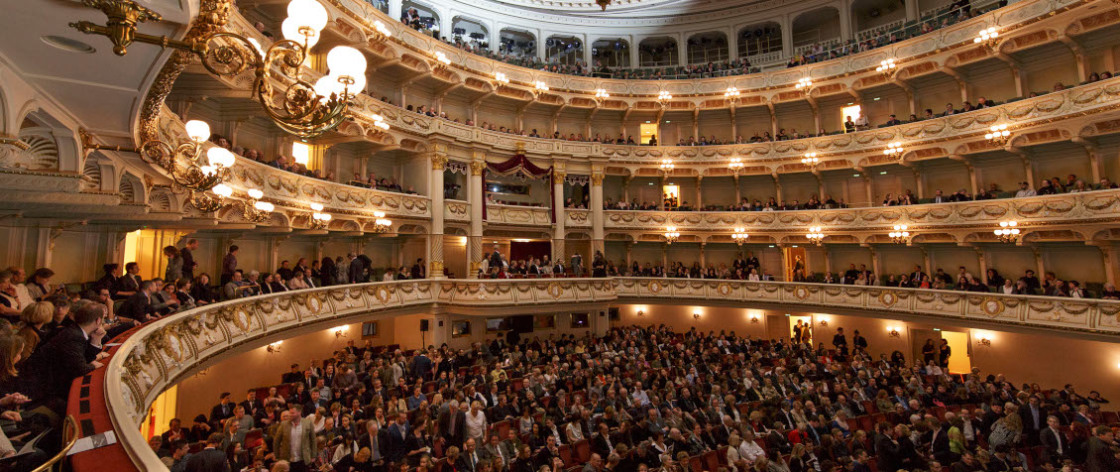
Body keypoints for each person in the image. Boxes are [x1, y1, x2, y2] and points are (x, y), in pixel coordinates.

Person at [274, 404, 318, 472]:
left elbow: (313, 440)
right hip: (288, 460)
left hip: (303, 459)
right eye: (290, 413)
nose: (290, 415)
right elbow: (276, 441)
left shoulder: (307, 423)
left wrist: (313, 455)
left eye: (292, 413)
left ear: (299, 412)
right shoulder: (283, 425)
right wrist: (277, 456)